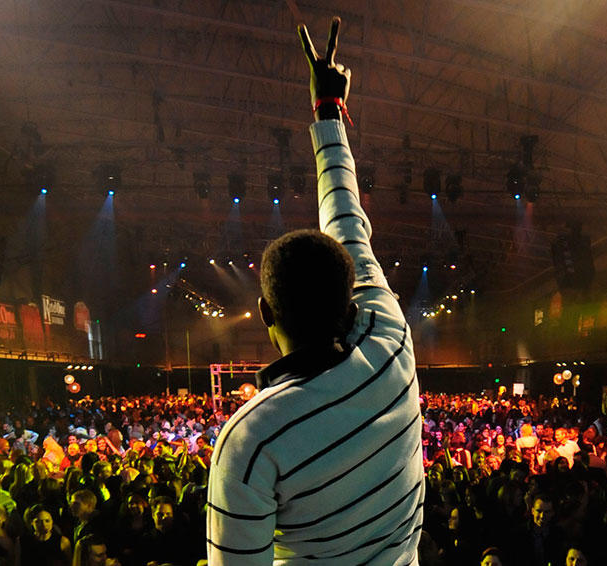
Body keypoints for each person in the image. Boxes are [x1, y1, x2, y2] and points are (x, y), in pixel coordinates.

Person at [205, 17, 422, 565]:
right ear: (350, 296)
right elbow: (347, 220)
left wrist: (326, 109)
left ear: (264, 312)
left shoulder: (252, 438)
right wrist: (329, 110)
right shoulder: (390, 337)